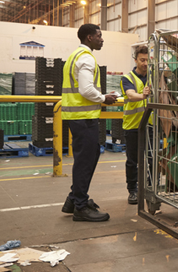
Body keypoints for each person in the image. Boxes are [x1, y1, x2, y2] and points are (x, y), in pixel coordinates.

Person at [61, 24, 117, 222]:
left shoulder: (75, 56)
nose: (102, 39)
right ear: (89, 37)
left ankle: (73, 199)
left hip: (78, 117)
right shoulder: (86, 58)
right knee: (85, 161)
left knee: (90, 155)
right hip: (82, 118)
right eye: (99, 36)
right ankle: (80, 207)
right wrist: (104, 98)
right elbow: (86, 89)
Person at [120, 45, 151, 204]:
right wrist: (142, 95)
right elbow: (130, 95)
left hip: (152, 126)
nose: (145, 63)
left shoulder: (155, 77)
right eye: (142, 60)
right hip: (133, 126)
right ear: (136, 60)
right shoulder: (128, 78)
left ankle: (151, 187)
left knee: (152, 158)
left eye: (148, 60)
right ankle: (132, 190)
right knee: (133, 160)